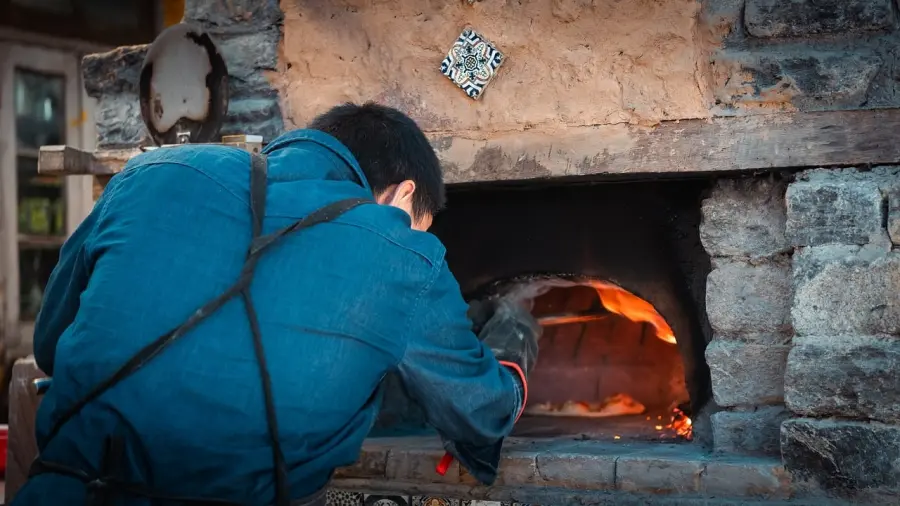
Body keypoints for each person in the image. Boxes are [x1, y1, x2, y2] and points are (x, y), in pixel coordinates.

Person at [14, 102, 539, 506]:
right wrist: (514, 339)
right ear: (403, 196)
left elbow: (52, 342)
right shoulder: (401, 251)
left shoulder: (147, 175)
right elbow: (480, 412)